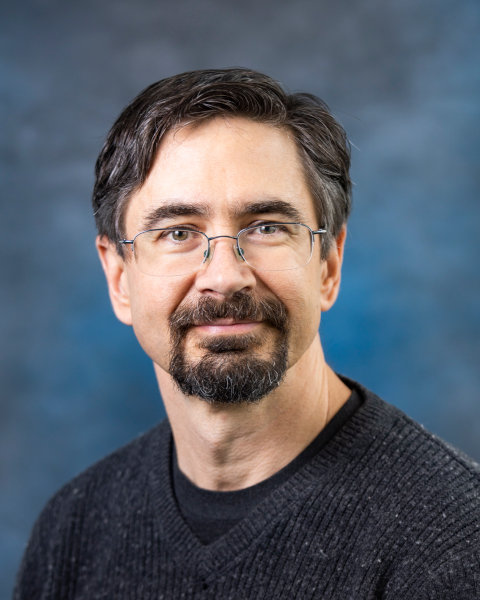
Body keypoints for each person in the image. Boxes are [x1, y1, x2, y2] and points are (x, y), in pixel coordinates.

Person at [14, 68, 479, 599]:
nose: (224, 276)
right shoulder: (74, 530)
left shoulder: (455, 545)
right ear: (119, 277)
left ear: (328, 265)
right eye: (178, 233)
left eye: (266, 227)